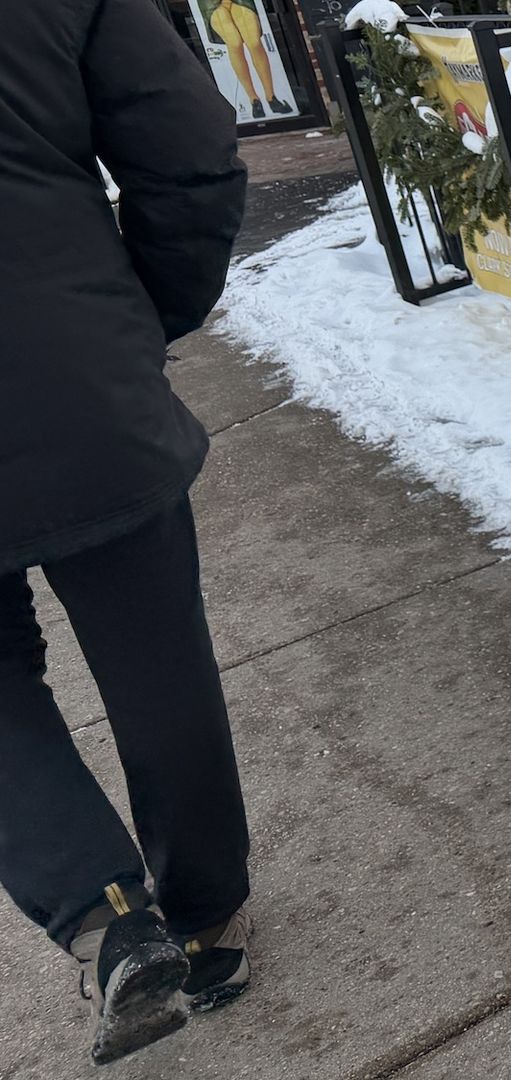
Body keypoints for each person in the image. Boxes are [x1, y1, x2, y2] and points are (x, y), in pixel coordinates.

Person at [1, 0, 253, 1066]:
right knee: (156, 653)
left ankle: (104, 917)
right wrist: (141, 316)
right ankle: (206, 922)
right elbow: (189, 154)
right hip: (73, 374)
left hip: (77, 362)